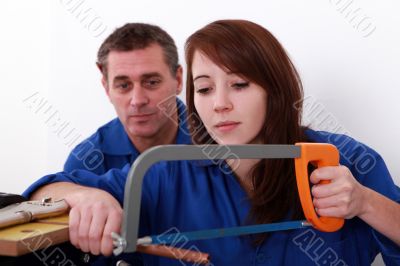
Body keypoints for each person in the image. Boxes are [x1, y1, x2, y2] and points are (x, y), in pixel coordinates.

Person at [24, 19, 400, 265]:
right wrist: (85, 195)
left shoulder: (346, 158)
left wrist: (365, 202)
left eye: (239, 84)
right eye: (204, 89)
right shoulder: (164, 172)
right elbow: (45, 194)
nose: (219, 103)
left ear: (276, 88)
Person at [24, 22, 190, 264]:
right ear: (105, 86)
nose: (137, 100)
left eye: (151, 82)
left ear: (178, 79)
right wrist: (81, 195)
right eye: (123, 85)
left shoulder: (220, 144)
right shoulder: (86, 159)